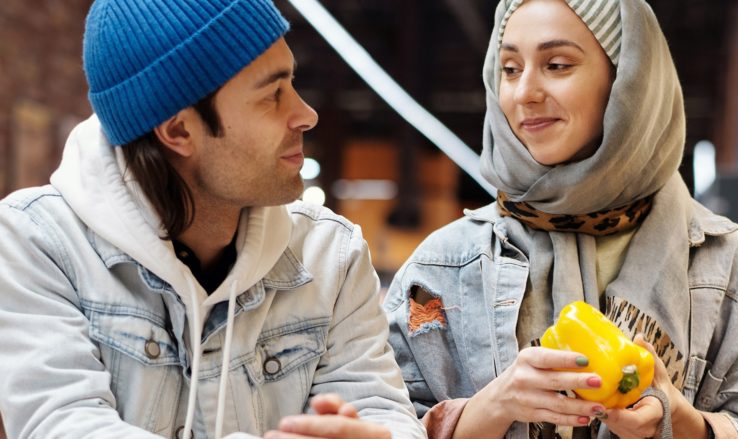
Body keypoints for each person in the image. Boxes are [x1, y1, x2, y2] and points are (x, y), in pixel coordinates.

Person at [0, 1, 426, 438]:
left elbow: (386, 414)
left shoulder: (329, 255)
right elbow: (64, 426)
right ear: (179, 131)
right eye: (272, 96)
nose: (305, 114)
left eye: (292, 84)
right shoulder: (39, 242)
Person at [384, 0, 738, 438]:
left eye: (556, 64)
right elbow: (380, 424)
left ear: (629, 81)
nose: (524, 92)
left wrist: (684, 423)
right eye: (510, 68)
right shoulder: (439, 270)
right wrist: (494, 406)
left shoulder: (730, 269)